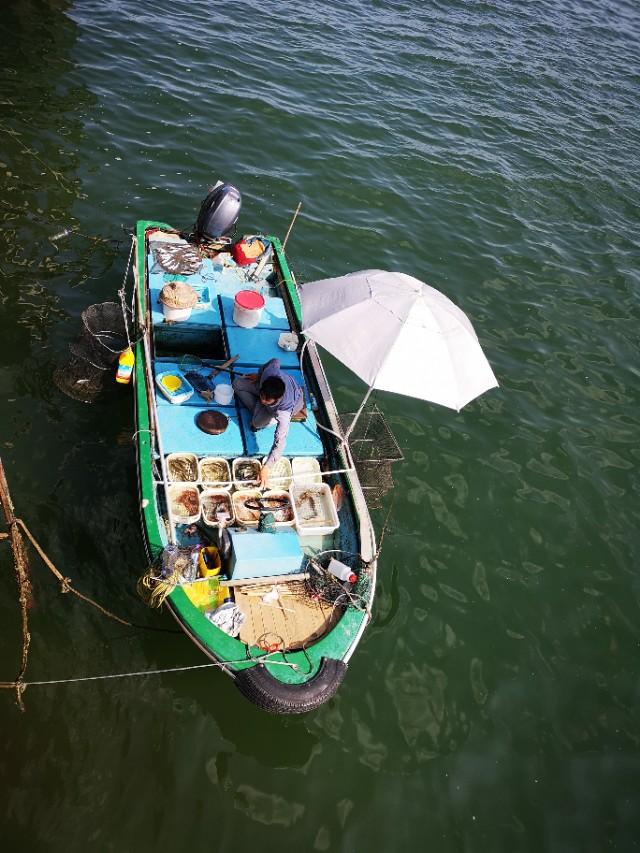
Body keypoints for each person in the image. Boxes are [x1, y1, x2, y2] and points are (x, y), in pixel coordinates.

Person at [232, 358, 305, 487]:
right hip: (268, 388)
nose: (263, 400)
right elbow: (275, 361)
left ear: (277, 399)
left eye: (267, 401)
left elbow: (280, 442)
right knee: (237, 384)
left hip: (291, 403)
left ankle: (265, 416)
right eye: (261, 397)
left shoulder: (284, 413)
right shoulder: (269, 373)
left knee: (256, 423)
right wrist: (259, 376)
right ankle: (260, 410)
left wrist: (267, 468)